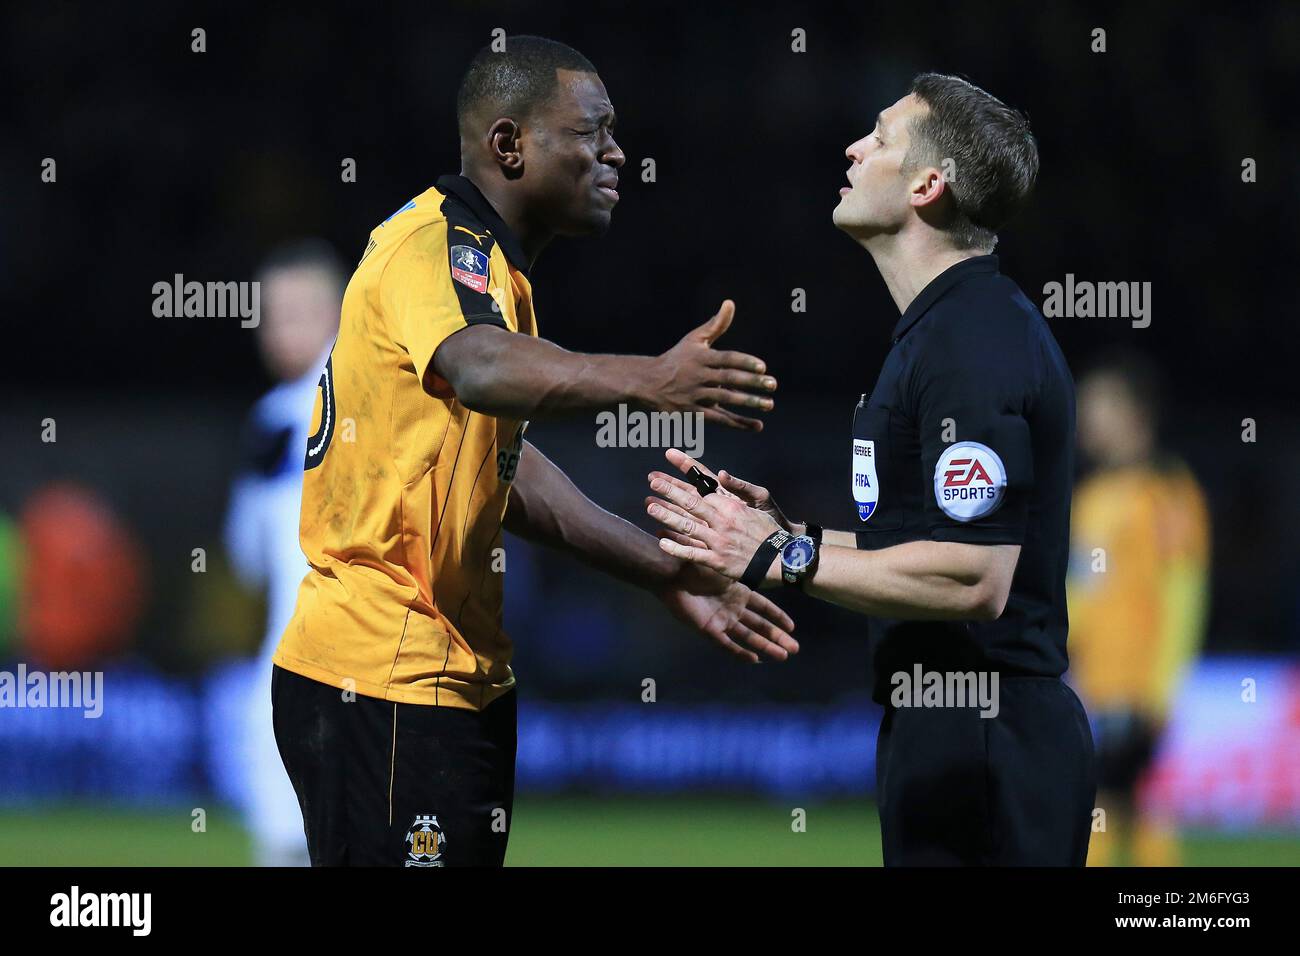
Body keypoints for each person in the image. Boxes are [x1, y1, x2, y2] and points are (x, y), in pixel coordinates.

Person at [271, 35, 796, 867]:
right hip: (381, 674)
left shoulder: (496, 281)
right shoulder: (432, 248)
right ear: (509, 144)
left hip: (449, 678)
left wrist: (667, 570)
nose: (616, 153)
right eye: (591, 132)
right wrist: (651, 380)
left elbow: (503, 471)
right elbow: (479, 370)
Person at [645, 73, 1094, 865]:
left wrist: (785, 556)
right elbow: (928, 543)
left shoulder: (971, 344)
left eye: (880, 137)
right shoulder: (941, 334)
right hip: (951, 735)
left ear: (928, 185)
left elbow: (974, 579)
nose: (854, 148)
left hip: (989, 748)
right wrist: (788, 531)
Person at [224, 239, 345, 866]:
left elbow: (245, 555)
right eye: (270, 315)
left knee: (287, 849)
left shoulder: (279, 419)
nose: (278, 331)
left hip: (299, 665)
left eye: (295, 313)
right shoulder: (274, 420)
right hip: (369, 667)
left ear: (336, 315)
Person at [1067, 353, 1210, 866]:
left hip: (1139, 682)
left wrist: (1163, 683)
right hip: (1090, 678)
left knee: (1133, 801)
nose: (1085, 418)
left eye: (1097, 407)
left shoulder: (1168, 493)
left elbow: (1185, 592)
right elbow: (1080, 590)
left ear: (1134, 415)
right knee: (1097, 803)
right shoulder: (1091, 495)